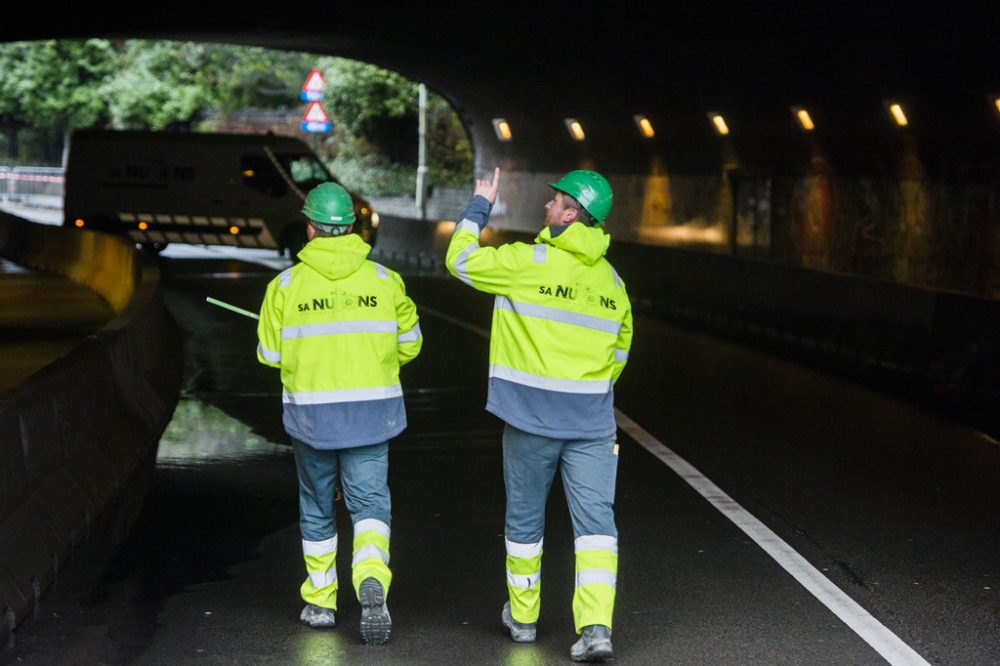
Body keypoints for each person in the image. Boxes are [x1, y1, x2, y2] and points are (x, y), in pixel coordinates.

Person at [445, 168, 632, 662]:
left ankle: (524, 620)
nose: (545, 208)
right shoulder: (613, 283)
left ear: (571, 214)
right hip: (591, 424)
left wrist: (478, 207)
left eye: (553, 203)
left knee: (525, 521)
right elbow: (619, 353)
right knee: (596, 527)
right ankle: (596, 629)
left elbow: (459, 258)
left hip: (529, 421)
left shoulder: (527, 262)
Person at [256, 182, 422, 645]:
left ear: (309, 228)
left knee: (316, 507)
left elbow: (270, 354)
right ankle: (372, 579)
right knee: (370, 506)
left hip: (312, 419)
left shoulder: (285, 286)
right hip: (372, 416)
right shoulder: (386, 282)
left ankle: (321, 602)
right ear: (351, 226)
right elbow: (410, 343)